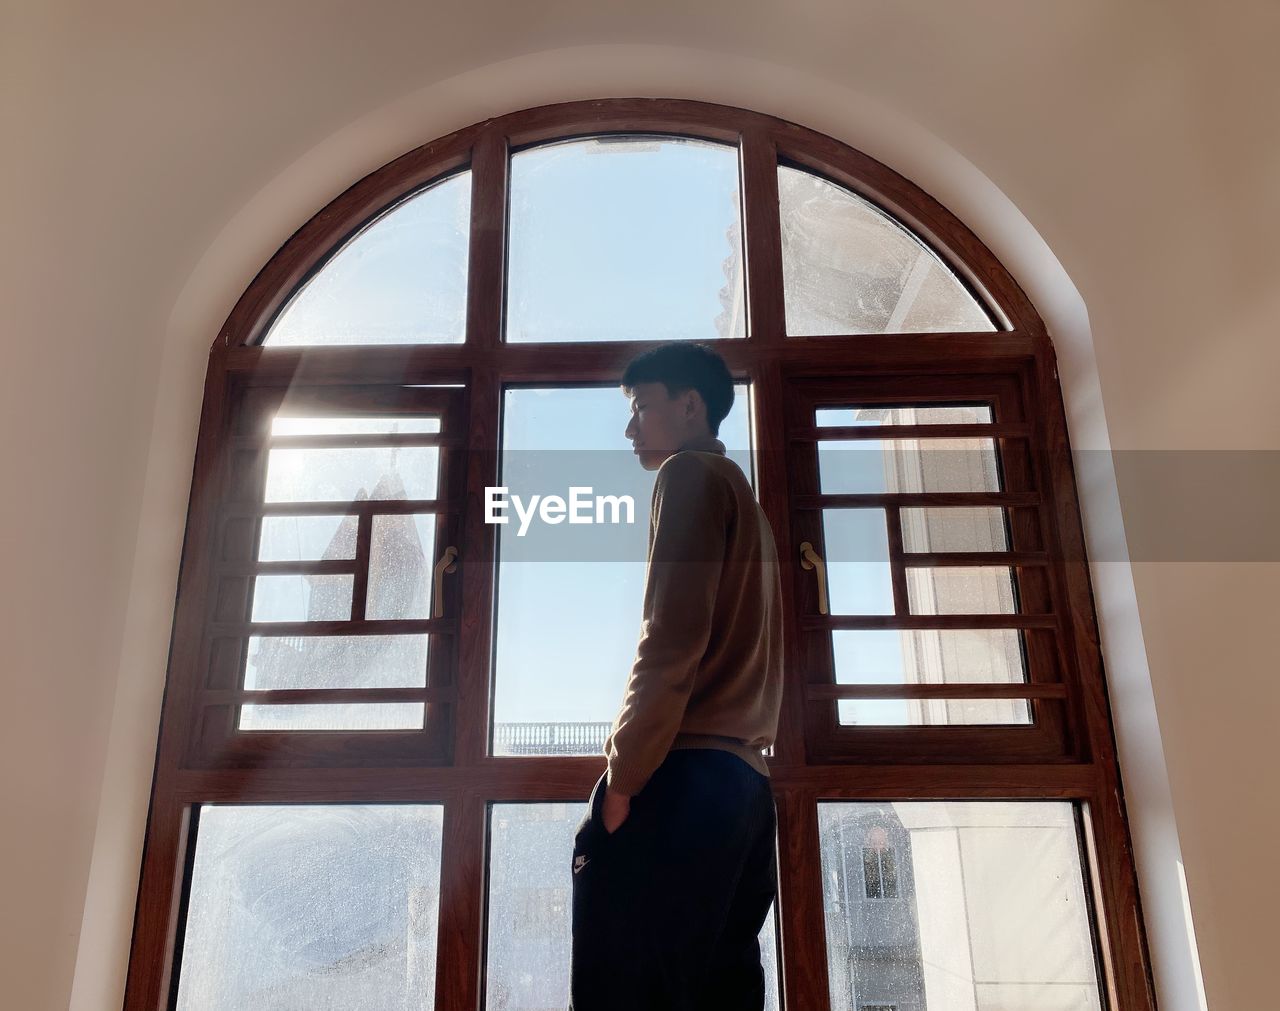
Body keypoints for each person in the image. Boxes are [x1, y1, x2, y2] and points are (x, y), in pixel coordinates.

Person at [569, 342, 785, 1010]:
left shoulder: (688, 475)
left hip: (684, 780)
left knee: (627, 985)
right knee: (719, 987)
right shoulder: (747, 502)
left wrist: (624, 779)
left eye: (641, 407)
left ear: (690, 406)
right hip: (746, 786)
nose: (630, 428)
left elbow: (671, 637)